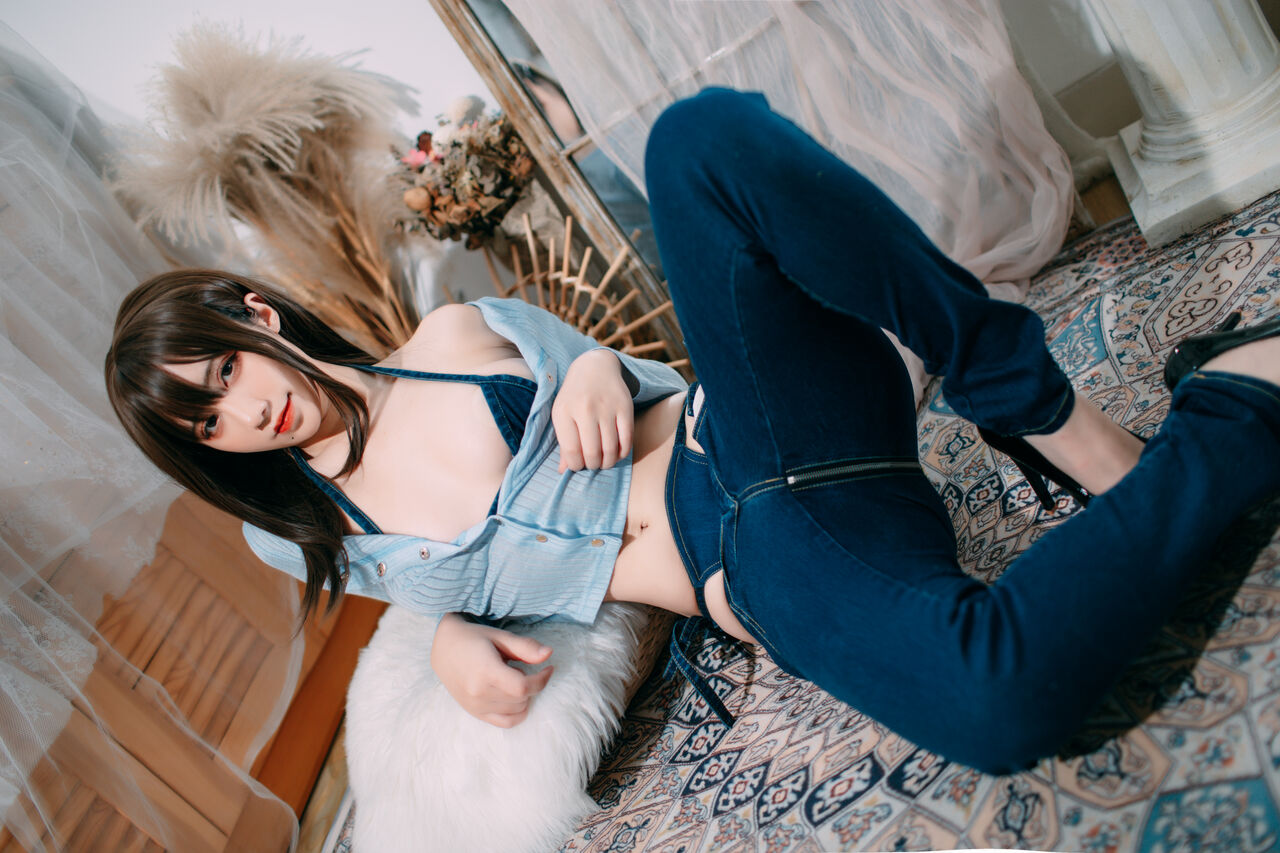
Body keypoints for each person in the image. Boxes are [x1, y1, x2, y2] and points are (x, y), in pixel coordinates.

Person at [105, 89, 1280, 776]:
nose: (244, 413)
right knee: (998, 705)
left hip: (752, 426)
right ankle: (1236, 396)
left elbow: (646, 374)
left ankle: (1027, 400)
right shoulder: (301, 531)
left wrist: (600, 373)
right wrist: (451, 640)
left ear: (256, 316)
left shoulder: (455, 332)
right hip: (753, 567)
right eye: (208, 421)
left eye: (225, 371)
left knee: (694, 138)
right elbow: (425, 594)